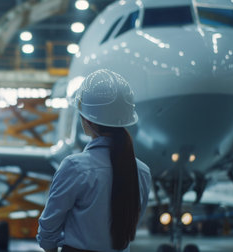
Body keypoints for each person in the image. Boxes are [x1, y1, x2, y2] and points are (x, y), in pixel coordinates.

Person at [37, 69, 152, 252]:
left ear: (85, 120)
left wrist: (50, 247)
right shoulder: (142, 171)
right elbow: (132, 222)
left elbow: (49, 224)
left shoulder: (75, 167)